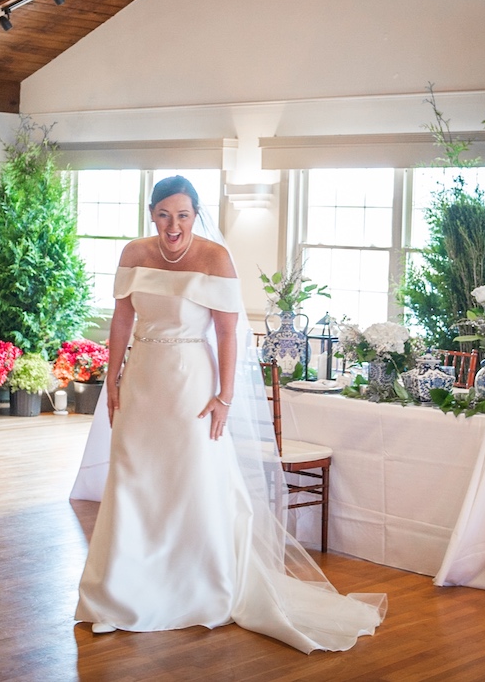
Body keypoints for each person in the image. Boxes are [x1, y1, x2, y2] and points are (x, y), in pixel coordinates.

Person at [74, 175, 385, 653]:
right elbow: (121, 320)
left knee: (189, 478)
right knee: (132, 478)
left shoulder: (215, 258)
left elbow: (227, 333)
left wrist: (224, 397)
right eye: (163, 214)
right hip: (142, 378)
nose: (172, 225)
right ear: (151, 214)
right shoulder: (133, 254)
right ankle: (118, 597)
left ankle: (198, 587)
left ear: (196, 214)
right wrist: (112, 379)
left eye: (182, 214)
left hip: (191, 383)